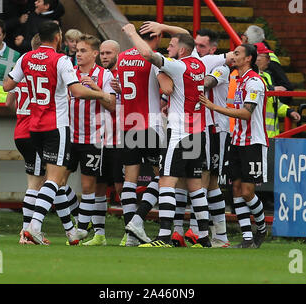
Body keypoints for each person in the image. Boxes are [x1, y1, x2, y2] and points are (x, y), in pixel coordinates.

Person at [3, 21, 111, 245]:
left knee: (49, 180)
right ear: (58, 38)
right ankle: (34, 227)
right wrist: (101, 95)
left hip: (33, 127)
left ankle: (67, 231)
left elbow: (6, 86)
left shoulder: (26, 58)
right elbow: (77, 91)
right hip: (55, 126)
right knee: (54, 180)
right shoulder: (60, 59)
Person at [123, 24, 211, 248]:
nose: (168, 48)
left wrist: (132, 32)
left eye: (171, 45)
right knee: (195, 186)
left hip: (179, 133)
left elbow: (148, 54)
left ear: (181, 50)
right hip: (198, 133)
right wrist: (163, 27)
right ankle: (204, 239)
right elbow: (186, 37)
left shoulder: (178, 66)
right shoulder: (198, 64)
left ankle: (163, 237)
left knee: (166, 181)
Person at [199, 44, 269, 248]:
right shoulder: (237, 80)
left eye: (237, 54)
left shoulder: (255, 82)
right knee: (235, 189)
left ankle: (262, 229)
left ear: (248, 59)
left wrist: (214, 107)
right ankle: (247, 238)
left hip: (253, 142)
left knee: (247, 191)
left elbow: (247, 113)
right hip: (236, 140)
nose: (233, 56)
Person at [116, 29, 174, 247]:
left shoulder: (122, 58)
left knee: (129, 181)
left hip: (128, 124)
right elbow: (167, 89)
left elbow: (124, 87)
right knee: (164, 176)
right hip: (150, 124)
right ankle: (138, 221)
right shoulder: (153, 58)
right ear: (156, 37)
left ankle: (131, 234)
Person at [66, 34, 117, 244]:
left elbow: (113, 105)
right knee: (57, 183)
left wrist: (94, 88)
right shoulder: (69, 72)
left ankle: (81, 229)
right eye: (77, 50)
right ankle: (82, 220)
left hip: (94, 138)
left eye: (83, 50)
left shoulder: (104, 75)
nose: (78, 54)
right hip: (69, 135)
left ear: (94, 54)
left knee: (89, 187)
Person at [5, 33, 47, 245]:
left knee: (35, 182)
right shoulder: (44, 72)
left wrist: (22, 113)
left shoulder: (21, 71)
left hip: (19, 131)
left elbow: (7, 101)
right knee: (36, 184)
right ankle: (27, 233)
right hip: (34, 132)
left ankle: (29, 231)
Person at [82, 39, 124, 246]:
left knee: (120, 186)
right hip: (99, 139)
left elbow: (114, 107)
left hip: (120, 138)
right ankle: (99, 234)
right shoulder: (97, 74)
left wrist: (96, 89)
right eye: (103, 53)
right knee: (98, 186)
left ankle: (129, 232)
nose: (105, 56)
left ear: (118, 54)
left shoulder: (122, 76)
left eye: (109, 53)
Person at [255, 42, 301, 137]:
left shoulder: (267, 75)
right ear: (256, 57)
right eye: (267, 57)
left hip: (270, 136)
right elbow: (253, 93)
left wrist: (288, 111)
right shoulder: (248, 76)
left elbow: (272, 103)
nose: (269, 61)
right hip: (257, 137)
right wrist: (272, 89)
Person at [242, 25, 294, 105]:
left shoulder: (268, 61)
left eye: (244, 35)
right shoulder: (262, 53)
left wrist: (277, 106)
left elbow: (286, 87)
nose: (242, 38)